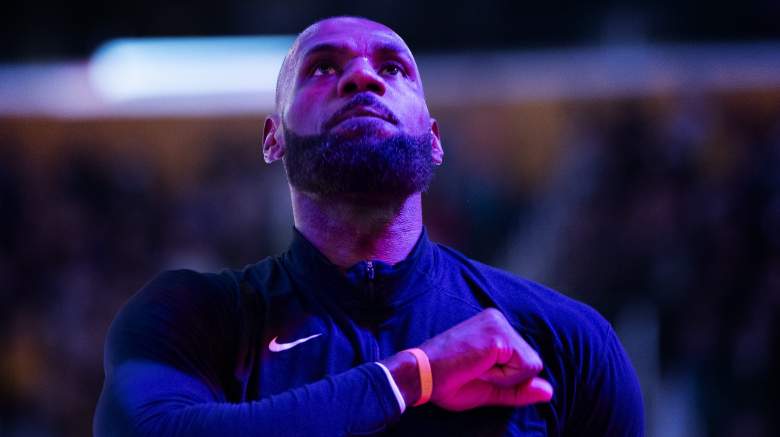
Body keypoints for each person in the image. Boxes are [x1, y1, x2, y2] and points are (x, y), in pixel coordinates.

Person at [94, 16, 644, 436]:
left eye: (393, 67)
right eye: (323, 68)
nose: (362, 77)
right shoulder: (192, 316)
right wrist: (416, 375)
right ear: (274, 139)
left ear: (433, 138)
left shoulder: (564, 338)